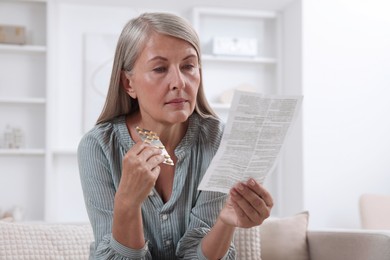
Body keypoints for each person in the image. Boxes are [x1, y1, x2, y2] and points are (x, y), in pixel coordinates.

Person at [78, 12, 273, 260]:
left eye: (188, 66)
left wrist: (226, 221)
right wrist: (127, 203)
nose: (179, 82)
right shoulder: (98, 147)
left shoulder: (217, 139)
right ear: (129, 84)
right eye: (160, 68)